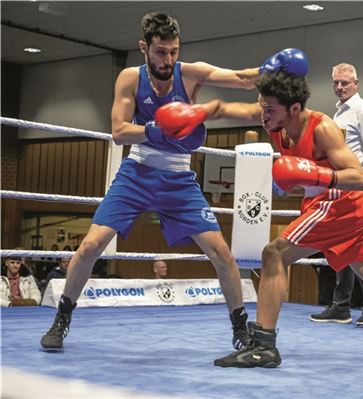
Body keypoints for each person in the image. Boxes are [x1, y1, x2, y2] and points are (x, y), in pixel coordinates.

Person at [174, 61, 363, 367]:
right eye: (262, 108)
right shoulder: (272, 115)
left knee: (274, 253)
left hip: (339, 204)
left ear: (294, 109)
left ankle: (264, 346)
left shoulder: (323, 128)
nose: (262, 116)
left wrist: (315, 174)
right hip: (344, 211)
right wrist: (197, 112)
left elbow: (359, 176)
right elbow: (226, 110)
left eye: (270, 110)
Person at [40, 12, 259, 351]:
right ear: (144, 47)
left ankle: (241, 329)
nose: (168, 59)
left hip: (180, 180)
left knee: (221, 253)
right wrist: (157, 129)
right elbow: (117, 131)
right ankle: (62, 318)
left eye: (173, 51)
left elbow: (243, 79)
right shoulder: (130, 78)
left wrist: (274, 72)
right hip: (137, 173)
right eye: (160, 52)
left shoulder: (189, 74)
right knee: (89, 246)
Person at [310, 63, 363, 326]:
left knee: (356, 244)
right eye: (336, 83)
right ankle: (341, 305)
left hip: (357, 183)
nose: (340, 87)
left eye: (345, 82)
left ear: (356, 83)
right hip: (340, 184)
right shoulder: (338, 115)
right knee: (341, 242)